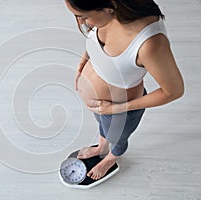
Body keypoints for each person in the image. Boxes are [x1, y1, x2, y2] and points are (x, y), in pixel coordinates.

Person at [65, 0, 184, 181]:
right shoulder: (106, 16)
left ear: (108, 7)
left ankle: (111, 158)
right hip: (104, 107)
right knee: (103, 126)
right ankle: (101, 148)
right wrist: (83, 63)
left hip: (121, 110)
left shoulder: (150, 43)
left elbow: (174, 91)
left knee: (118, 139)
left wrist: (115, 109)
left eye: (83, 16)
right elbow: (95, 41)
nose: (81, 23)